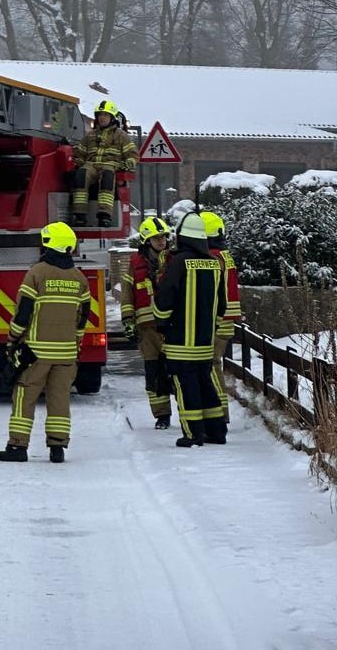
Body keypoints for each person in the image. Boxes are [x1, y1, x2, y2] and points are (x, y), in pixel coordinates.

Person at [0, 221, 92, 464]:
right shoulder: (79, 278)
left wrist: (12, 339)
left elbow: (23, 312)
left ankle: (17, 447)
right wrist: (76, 344)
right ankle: (57, 447)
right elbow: (83, 318)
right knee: (59, 398)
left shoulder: (37, 273)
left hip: (36, 352)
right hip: (67, 354)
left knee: (24, 395)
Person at [152, 210, 227, 447]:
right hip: (205, 341)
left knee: (186, 386)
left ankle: (193, 434)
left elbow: (164, 299)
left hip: (180, 341)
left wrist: (161, 323)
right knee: (206, 383)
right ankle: (217, 432)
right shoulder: (215, 264)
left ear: (182, 237)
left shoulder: (178, 263)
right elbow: (221, 304)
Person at [120, 215, 174, 428]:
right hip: (147, 328)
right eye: (156, 238)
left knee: (177, 370)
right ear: (146, 241)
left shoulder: (174, 259)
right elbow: (127, 294)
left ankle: (186, 411)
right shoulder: (135, 264)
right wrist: (128, 321)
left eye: (163, 237)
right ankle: (162, 415)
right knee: (154, 372)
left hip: (171, 326)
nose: (161, 241)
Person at [201, 210, 242, 428]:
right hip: (225, 321)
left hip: (217, 321)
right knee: (215, 365)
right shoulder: (224, 256)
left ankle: (219, 414)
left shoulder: (212, 258)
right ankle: (218, 413)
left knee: (212, 366)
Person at [71, 100, 136, 228]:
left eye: (105, 115)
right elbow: (80, 153)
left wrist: (127, 164)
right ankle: (80, 215)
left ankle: (104, 216)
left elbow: (132, 155)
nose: (102, 118)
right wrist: (78, 162)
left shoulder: (121, 136)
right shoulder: (90, 135)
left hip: (110, 165)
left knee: (107, 176)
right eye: (100, 115)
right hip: (91, 165)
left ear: (112, 117)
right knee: (82, 174)